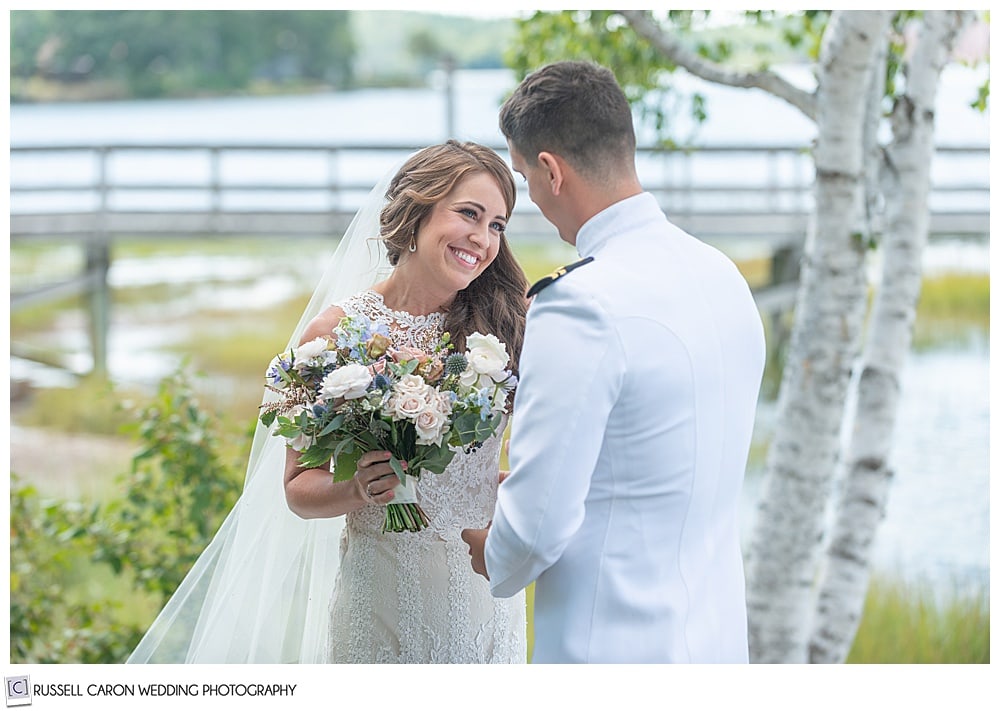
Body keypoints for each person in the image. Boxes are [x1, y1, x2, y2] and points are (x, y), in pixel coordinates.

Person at [128, 140, 529, 663]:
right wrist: (359, 486)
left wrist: (514, 484)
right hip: (382, 604)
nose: (483, 238)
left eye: (497, 224)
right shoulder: (337, 334)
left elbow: (550, 443)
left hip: (485, 596)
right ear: (416, 213)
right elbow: (297, 489)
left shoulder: (505, 325)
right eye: (469, 214)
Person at [461, 61, 766, 663]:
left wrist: (495, 551)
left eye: (523, 179)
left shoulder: (580, 304)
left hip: (610, 648)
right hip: (715, 642)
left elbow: (535, 528)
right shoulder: (721, 274)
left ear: (551, 171)